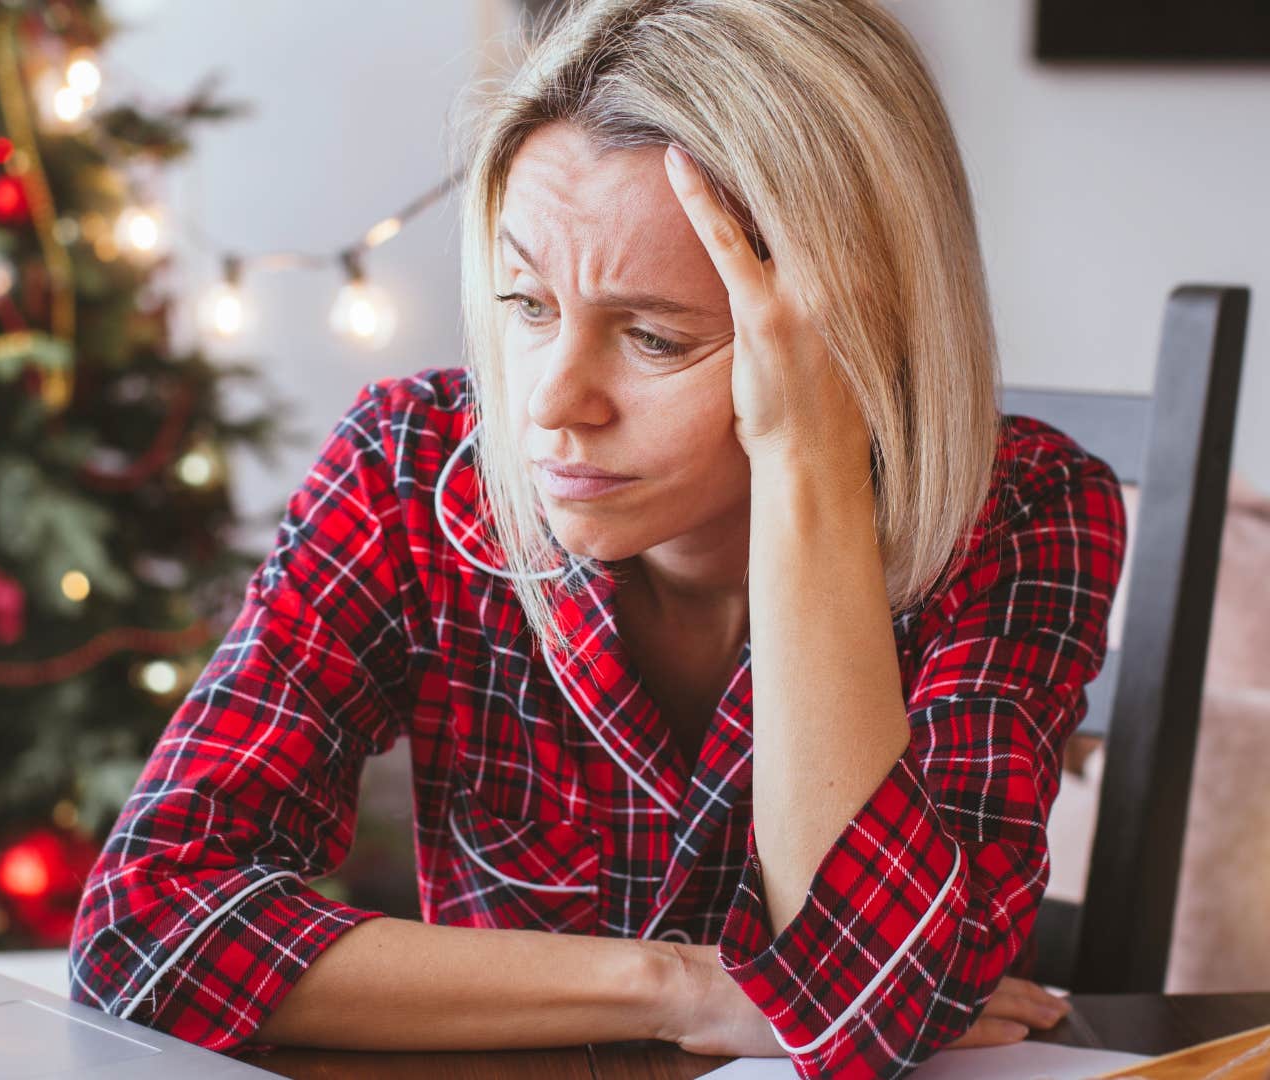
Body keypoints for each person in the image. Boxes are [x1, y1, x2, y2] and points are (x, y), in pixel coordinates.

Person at [68, 1, 1128, 1076]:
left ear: (848, 333)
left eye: (654, 336)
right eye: (526, 306)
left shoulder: (1027, 510)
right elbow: (145, 933)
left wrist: (807, 465)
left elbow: (867, 1006)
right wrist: (677, 985)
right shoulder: (412, 468)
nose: (554, 402)